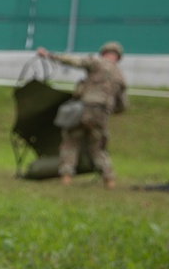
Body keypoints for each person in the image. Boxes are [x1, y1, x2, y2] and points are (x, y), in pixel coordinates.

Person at [37, 41, 128, 188]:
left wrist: (49, 55)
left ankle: (66, 177)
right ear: (118, 57)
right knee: (97, 147)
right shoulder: (120, 76)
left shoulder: (97, 63)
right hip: (101, 114)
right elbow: (122, 105)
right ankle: (109, 179)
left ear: (104, 53)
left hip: (83, 109)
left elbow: (75, 61)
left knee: (70, 142)